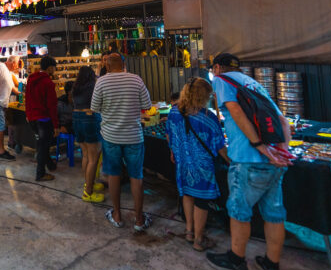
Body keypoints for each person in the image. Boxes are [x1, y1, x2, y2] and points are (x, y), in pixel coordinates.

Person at [207, 53, 292, 270]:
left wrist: (258, 145)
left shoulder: (221, 80)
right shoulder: (253, 84)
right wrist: (281, 152)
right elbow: (282, 119)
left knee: (239, 211)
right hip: (275, 160)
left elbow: (234, 111)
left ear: (217, 68)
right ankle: (272, 265)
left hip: (247, 159)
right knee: (274, 214)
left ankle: (236, 258)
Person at [91, 53, 153, 231]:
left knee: (114, 175)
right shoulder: (136, 80)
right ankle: (139, 219)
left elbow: (95, 108)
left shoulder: (101, 82)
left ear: (107, 66)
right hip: (134, 136)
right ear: (124, 65)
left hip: (111, 137)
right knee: (136, 176)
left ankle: (117, 215)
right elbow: (147, 105)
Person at [166, 78, 228, 251]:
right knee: (201, 199)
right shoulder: (209, 118)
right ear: (203, 96)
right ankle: (199, 240)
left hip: (183, 164)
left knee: (187, 194)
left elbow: (169, 135)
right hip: (202, 167)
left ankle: (189, 232)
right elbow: (220, 147)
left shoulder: (174, 112)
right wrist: (233, 161)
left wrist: (173, 151)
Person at [72, 66, 105, 203]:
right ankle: (88, 193)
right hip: (89, 118)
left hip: (76, 118)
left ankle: (88, 183)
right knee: (93, 158)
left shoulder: (76, 87)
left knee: (85, 155)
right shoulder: (94, 85)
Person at [25, 56, 59, 181]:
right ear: (50, 68)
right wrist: (56, 125)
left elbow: (27, 98)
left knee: (41, 144)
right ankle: (40, 173)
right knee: (44, 147)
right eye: (54, 67)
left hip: (32, 118)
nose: (55, 70)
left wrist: (28, 115)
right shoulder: (48, 83)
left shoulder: (31, 79)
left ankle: (50, 165)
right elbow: (52, 106)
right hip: (44, 119)